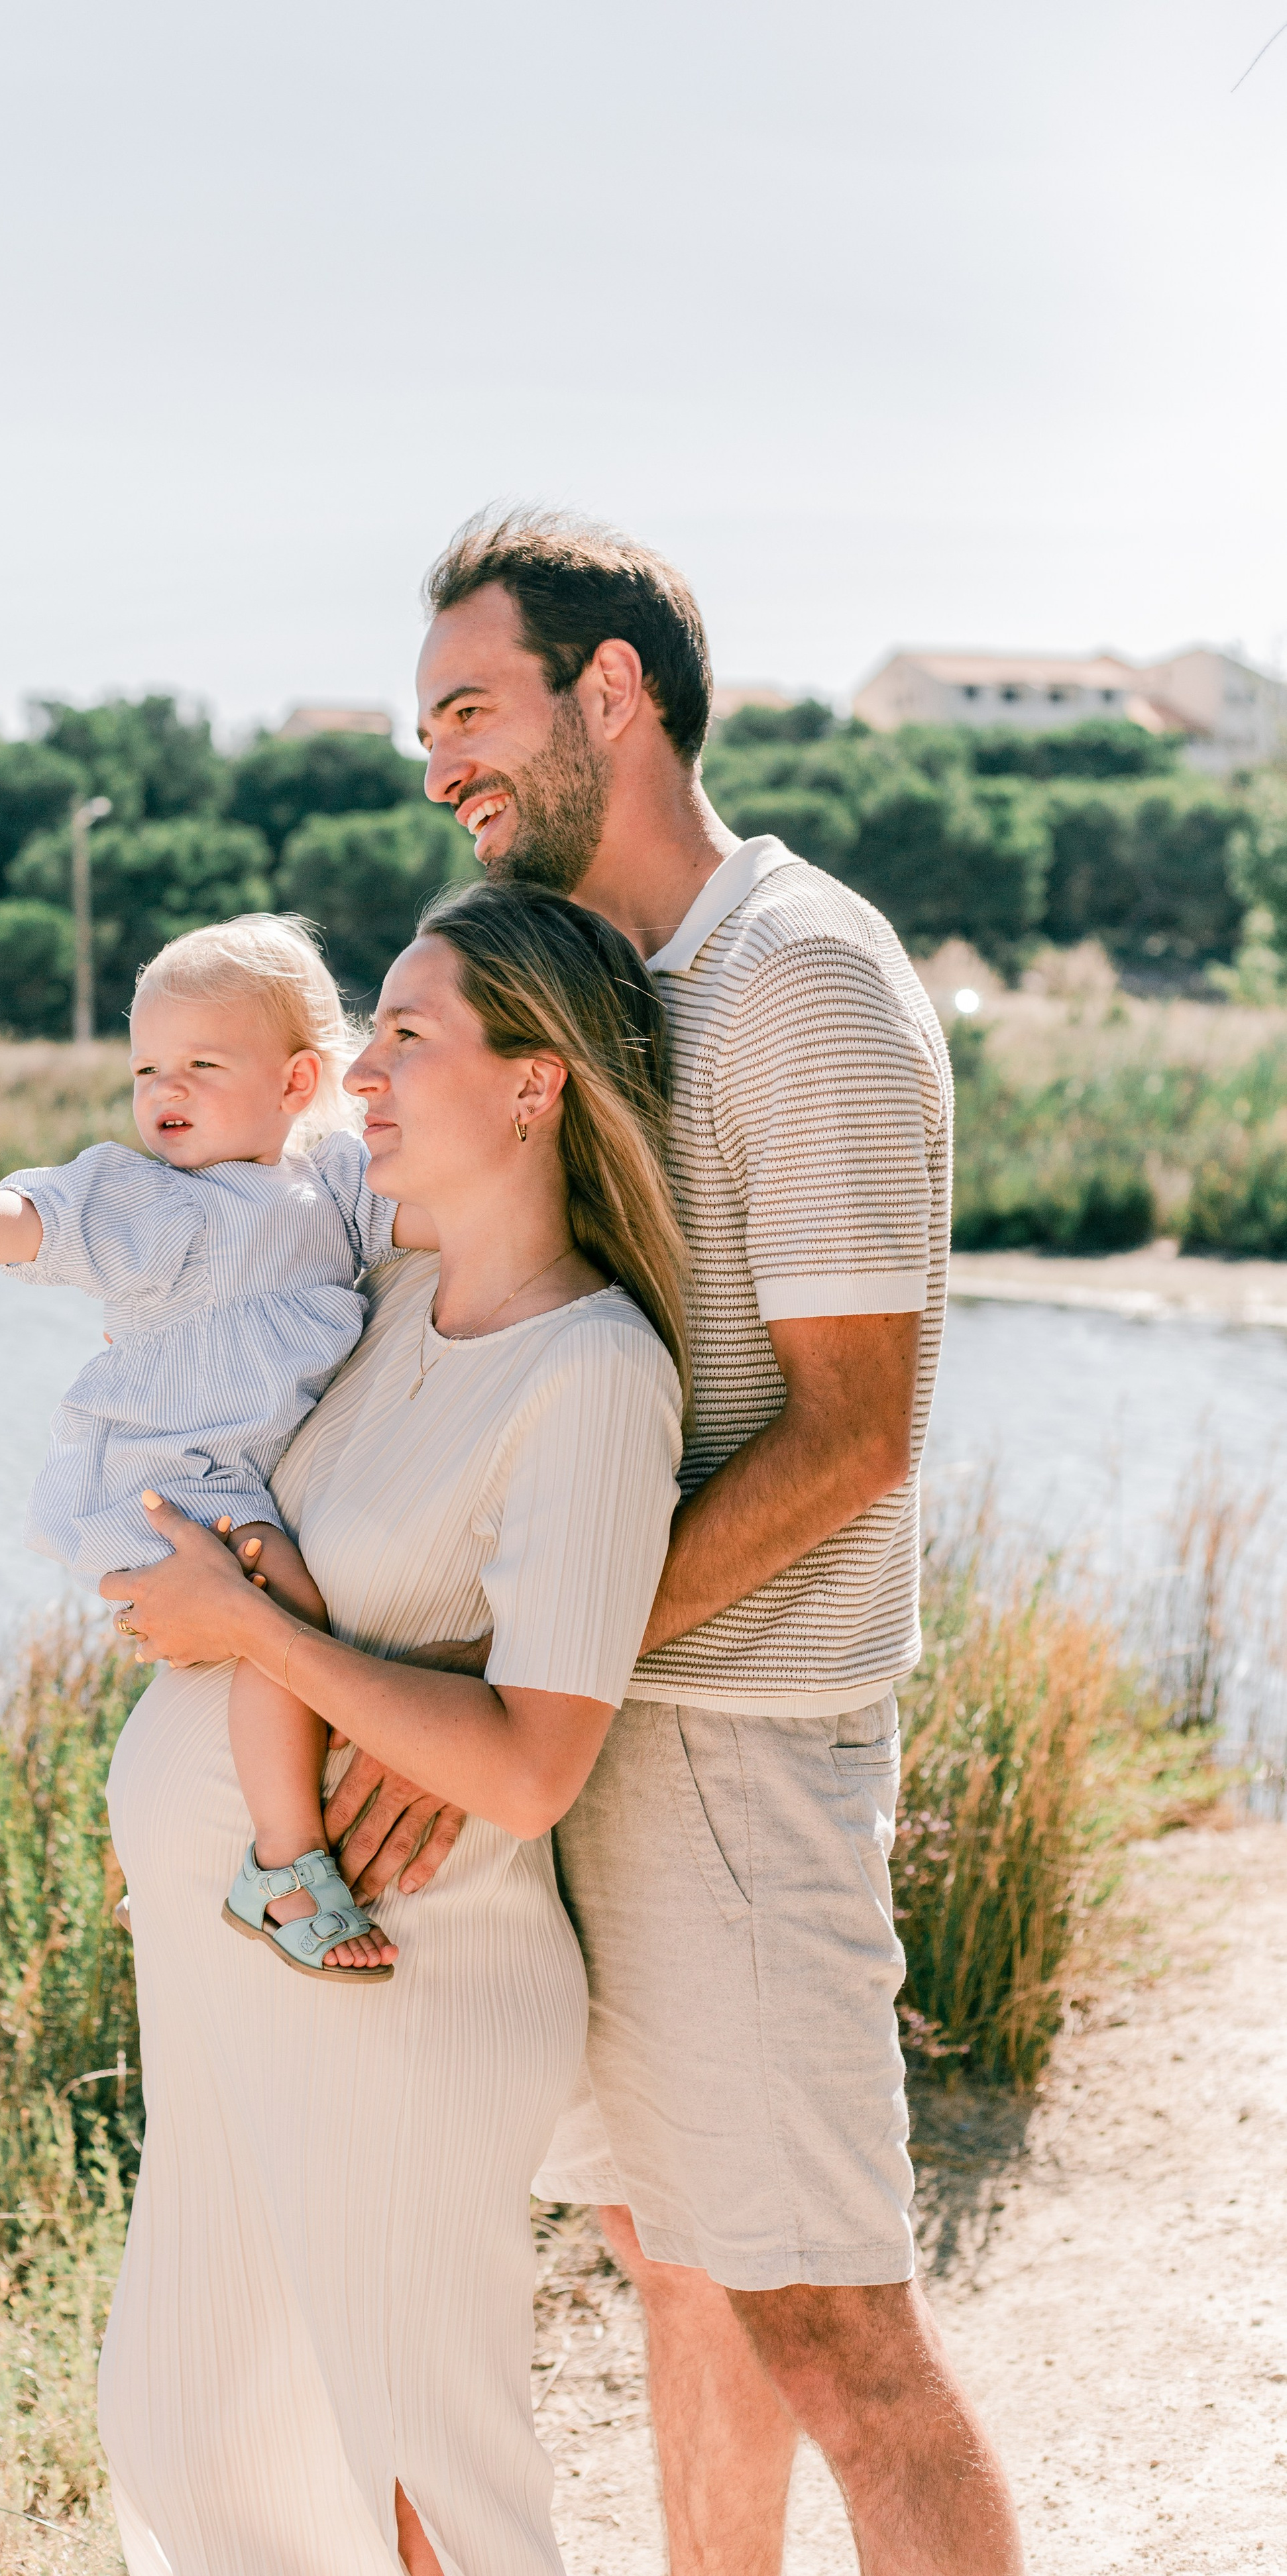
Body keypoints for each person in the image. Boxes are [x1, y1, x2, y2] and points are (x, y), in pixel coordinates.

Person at [324, 511, 1025, 2575]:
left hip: (734, 1745)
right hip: (608, 1731)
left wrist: (523, 1680)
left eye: (469, 708)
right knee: (676, 2256)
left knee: (832, 2319)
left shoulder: (799, 980)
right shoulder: (613, 988)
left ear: (607, 695)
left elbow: (853, 1436)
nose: (436, 762)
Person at [96, 880, 687, 2575]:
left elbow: (529, 1761)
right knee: (203, 2439)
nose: (359, 1073)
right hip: (239, 1987)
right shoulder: (377, 1319)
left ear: (535, 1084)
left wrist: (244, 1630)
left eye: (406, 1038)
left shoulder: (592, 1372)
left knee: (412, 2486)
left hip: (401, 1995)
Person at [0, 911, 410, 1976]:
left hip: (234, 1469)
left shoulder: (336, 1185)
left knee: (234, 1651)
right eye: (146, 1068)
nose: (162, 1092)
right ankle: (283, 1869)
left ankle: (162, 1866)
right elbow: (38, 1213)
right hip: (158, 1479)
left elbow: (435, 1212)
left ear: (294, 1083)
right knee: (290, 1619)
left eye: (199, 1065)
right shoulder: (153, 1200)